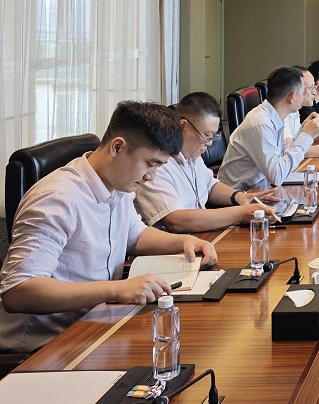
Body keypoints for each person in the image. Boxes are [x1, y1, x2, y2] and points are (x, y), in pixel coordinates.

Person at [0, 101, 218, 353]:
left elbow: (134, 236)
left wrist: (184, 242)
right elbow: (18, 292)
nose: (151, 177)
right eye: (150, 164)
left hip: (96, 325)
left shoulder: (118, 183)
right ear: (117, 147)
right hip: (45, 347)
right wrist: (117, 289)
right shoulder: (57, 198)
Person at [134, 93, 278, 232]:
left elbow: (210, 185)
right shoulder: (157, 164)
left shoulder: (193, 156)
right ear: (183, 125)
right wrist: (241, 213)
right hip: (172, 244)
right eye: (207, 136)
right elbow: (176, 221)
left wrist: (240, 197)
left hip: (201, 235)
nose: (209, 143)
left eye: (213, 136)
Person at [218, 65, 319, 190]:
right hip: (239, 195)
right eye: (303, 92)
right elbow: (277, 176)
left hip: (260, 189)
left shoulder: (274, 115)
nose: (311, 93)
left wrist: (302, 130)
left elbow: (282, 157)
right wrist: (306, 136)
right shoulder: (261, 123)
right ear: (292, 97)